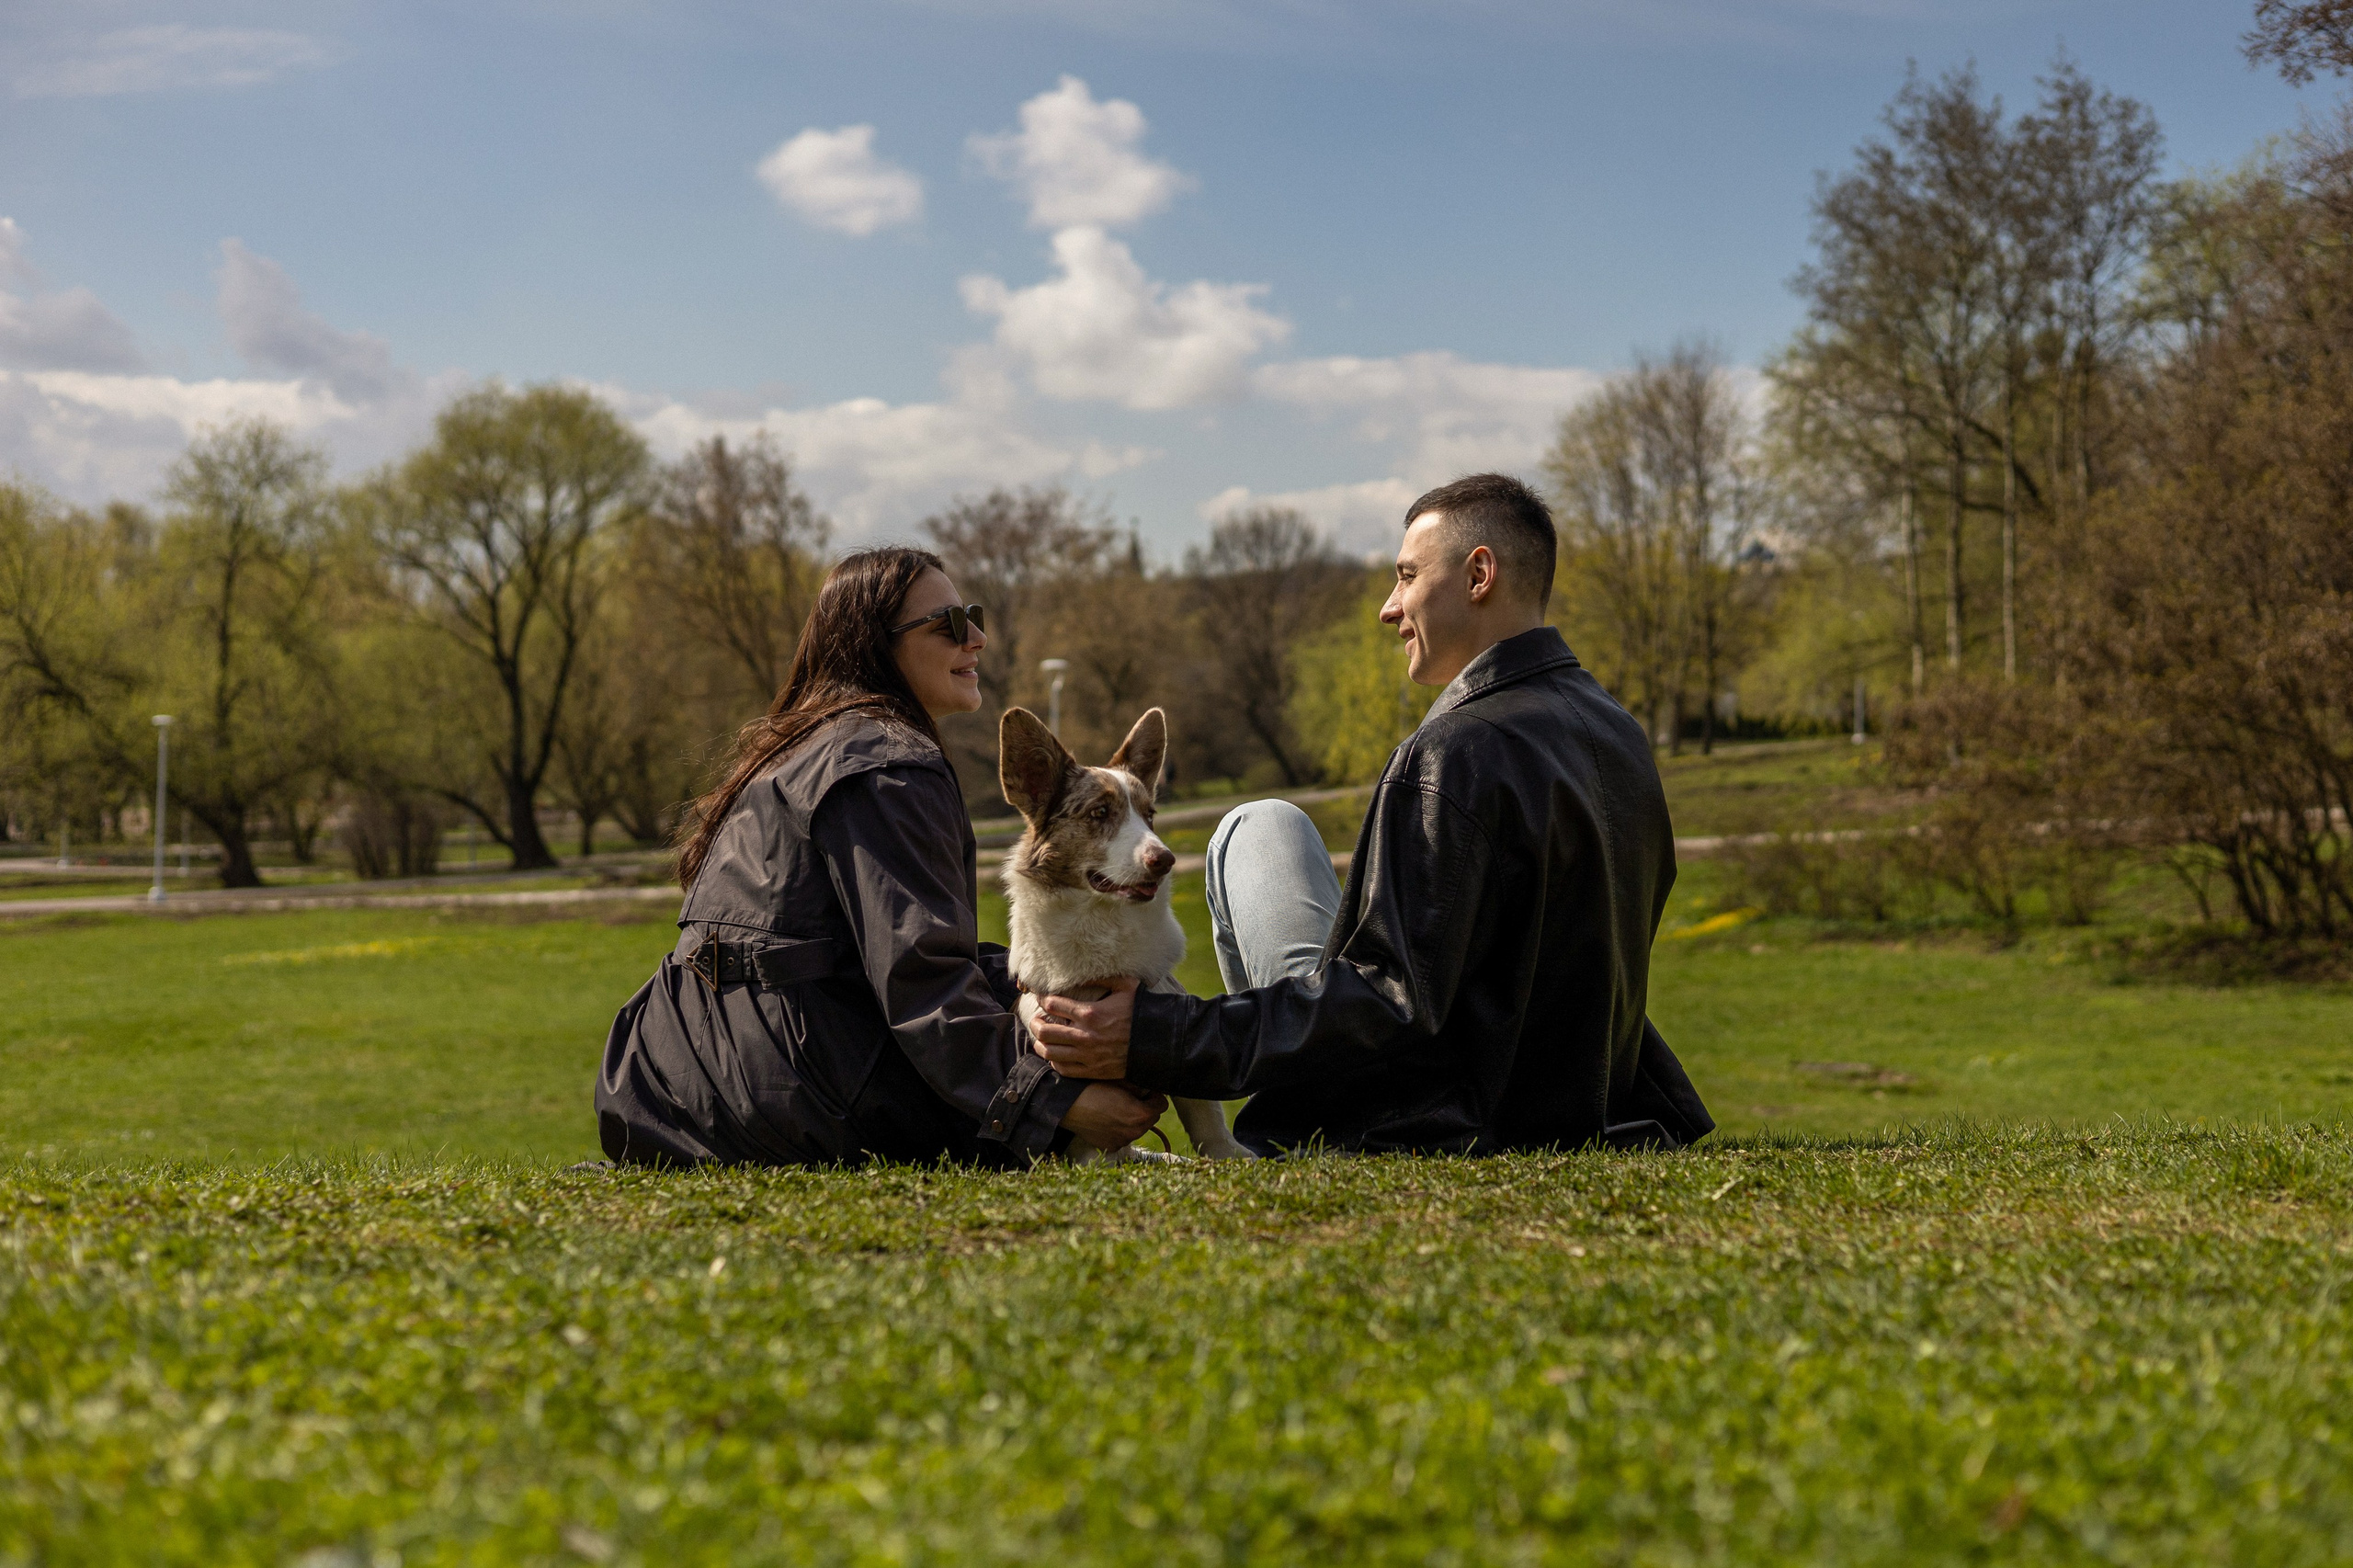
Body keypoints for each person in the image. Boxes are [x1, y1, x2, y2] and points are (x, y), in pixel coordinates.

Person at [1028, 473, 1713, 1154]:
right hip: (1576, 1096)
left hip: (1431, 1118)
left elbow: (1387, 1002)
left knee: (1252, 826)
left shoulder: (1456, 752)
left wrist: (1159, 1034)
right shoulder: (1617, 732)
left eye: (1408, 576)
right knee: (1270, 825)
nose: (1390, 608)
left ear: (1479, 575)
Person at [595, 546, 1166, 1167]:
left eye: (971, 615)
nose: (976, 637)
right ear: (877, 645)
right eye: (948, 623)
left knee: (1045, 994)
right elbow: (920, 977)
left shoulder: (796, 746)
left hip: (661, 1087)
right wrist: (1056, 1101)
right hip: (786, 1100)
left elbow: (867, 953)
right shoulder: (891, 767)